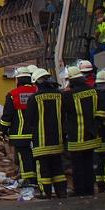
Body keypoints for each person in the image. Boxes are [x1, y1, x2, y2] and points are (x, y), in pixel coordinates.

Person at [24, 68, 67, 198]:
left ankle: (46, 192)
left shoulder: (34, 98)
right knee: (58, 167)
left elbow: (29, 120)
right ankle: (61, 191)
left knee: (43, 168)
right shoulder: (60, 96)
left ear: (37, 83)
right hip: (58, 139)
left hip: (41, 141)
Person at [62, 64, 100, 196]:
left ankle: (79, 190)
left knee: (77, 165)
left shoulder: (68, 95)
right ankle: (90, 189)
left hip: (76, 136)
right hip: (91, 135)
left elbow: (63, 113)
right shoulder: (93, 91)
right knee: (89, 164)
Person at [0, 66, 38, 187]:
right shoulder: (37, 92)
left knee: (24, 158)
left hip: (20, 134)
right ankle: (37, 179)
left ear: (18, 80)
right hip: (38, 133)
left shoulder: (13, 94)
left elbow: (7, 115)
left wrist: (2, 130)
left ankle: (28, 180)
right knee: (35, 157)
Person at [95, 68, 105, 192]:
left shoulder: (93, 95)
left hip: (95, 134)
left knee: (99, 160)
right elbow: (103, 116)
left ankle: (100, 182)